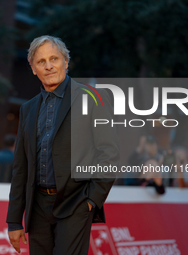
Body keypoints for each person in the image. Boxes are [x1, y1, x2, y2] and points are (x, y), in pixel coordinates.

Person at [6, 35, 119, 254]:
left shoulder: (93, 98)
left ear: (66, 62)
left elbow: (109, 154)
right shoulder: (27, 109)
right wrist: (14, 221)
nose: (48, 66)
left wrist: (91, 200)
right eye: (41, 62)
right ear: (33, 68)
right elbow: (21, 167)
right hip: (37, 207)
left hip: (75, 204)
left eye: (54, 59)